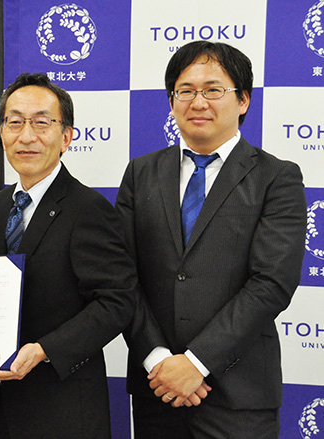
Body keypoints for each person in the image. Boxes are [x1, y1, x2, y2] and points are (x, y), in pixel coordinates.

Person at [115, 40, 307, 439]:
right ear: (171, 101)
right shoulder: (141, 173)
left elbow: (271, 283)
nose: (197, 101)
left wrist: (196, 363)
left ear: (243, 100)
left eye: (213, 89)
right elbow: (122, 275)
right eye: (185, 91)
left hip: (240, 397)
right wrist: (159, 361)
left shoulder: (277, 178)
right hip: (158, 391)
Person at [0, 72, 138, 439]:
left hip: (62, 408)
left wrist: (45, 350)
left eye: (41, 123)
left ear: (66, 137)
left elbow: (117, 302)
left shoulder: (89, 208)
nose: (26, 136)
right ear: (2, 133)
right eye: (14, 122)